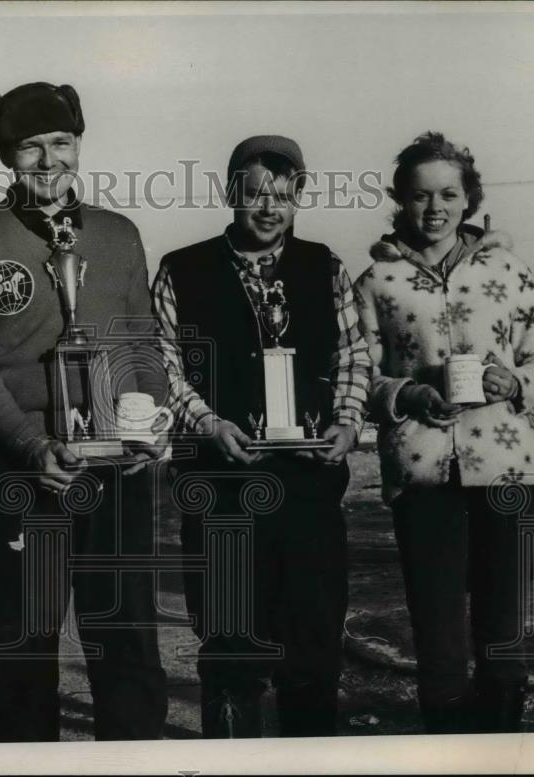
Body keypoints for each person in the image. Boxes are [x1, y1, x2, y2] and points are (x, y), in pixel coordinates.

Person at [0, 82, 168, 742]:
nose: (48, 159)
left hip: (115, 473)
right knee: (25, 653)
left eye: (61, 142)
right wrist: (31, 446)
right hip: (22, 474)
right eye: (29, 146)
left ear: (79, 144)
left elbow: (141, 340)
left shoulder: (119, 234)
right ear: (6, 154)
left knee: (127, 646)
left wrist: (153, 420)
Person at [353, 131, 534, 733]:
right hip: (423, 472)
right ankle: (446, 745)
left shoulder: (507, 268)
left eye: (448, 194)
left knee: (502, 624)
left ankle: (502, 743)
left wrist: (517, 382)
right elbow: (354, 378)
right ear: (401, 199)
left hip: (507, 469)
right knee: (437, 624)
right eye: (421, 196)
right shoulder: (377, 282)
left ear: (468, 197)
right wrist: (407, 393)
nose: (435, 208)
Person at [152, 135, 372, 737]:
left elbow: (355, 356)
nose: (268, 207)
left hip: (308, 491)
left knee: (312, 649)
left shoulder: (325, 266)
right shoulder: (182, 268)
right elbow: (162, 363)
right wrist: (207, 422)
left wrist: (348, 424)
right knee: (230, 650)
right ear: (231, 194)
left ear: (299, 197)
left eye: (283, 194)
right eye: (253, 194)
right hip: (220, 491)